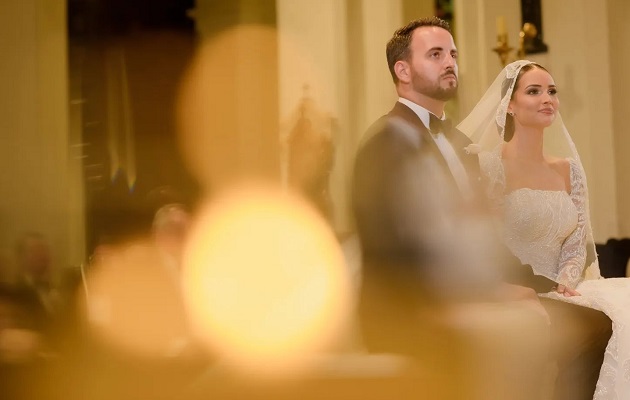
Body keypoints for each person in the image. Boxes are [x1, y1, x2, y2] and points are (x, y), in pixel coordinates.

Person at [352, 17, 611, 400]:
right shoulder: (386, 142)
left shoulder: (458, 143)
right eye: (435, 54)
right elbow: (394, 250)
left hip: (471, 295)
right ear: (402, 70)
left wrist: (538, 287)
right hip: (415, 310)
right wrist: (492, 292)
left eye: (453, 54)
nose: (450, 62)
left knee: (595, 324)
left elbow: (483, 239)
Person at [458, 59, 627, 399]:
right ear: (511, 106)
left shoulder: (569, 170)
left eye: (551, 91)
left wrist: (565, 279)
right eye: (533, 91)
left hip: (566, 287)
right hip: (513, 287)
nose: (547, 98)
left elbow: (577, 242)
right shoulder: (489, 166)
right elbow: (484, 239)